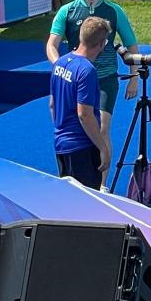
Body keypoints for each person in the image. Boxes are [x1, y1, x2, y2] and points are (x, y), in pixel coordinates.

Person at [46, 0, 140, 190]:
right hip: (76, 77)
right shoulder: (67, 11)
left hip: (105, 78)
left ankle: (102, 184)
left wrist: (134, 77)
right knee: (72, 125)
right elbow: (52, 44)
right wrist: (60, 65)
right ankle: (73, 176)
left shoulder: (114, 11)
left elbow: (131, 43)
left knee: (102, 128)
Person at [50, 16, 111, 190]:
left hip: (61, 145)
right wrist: (103, 147)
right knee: (86, 204)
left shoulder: (60, 63)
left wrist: (60, 131)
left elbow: (52, 104)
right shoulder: (86, 71)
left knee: (69, 199)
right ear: (101, 44)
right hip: (82, 148)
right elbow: (84, 114)